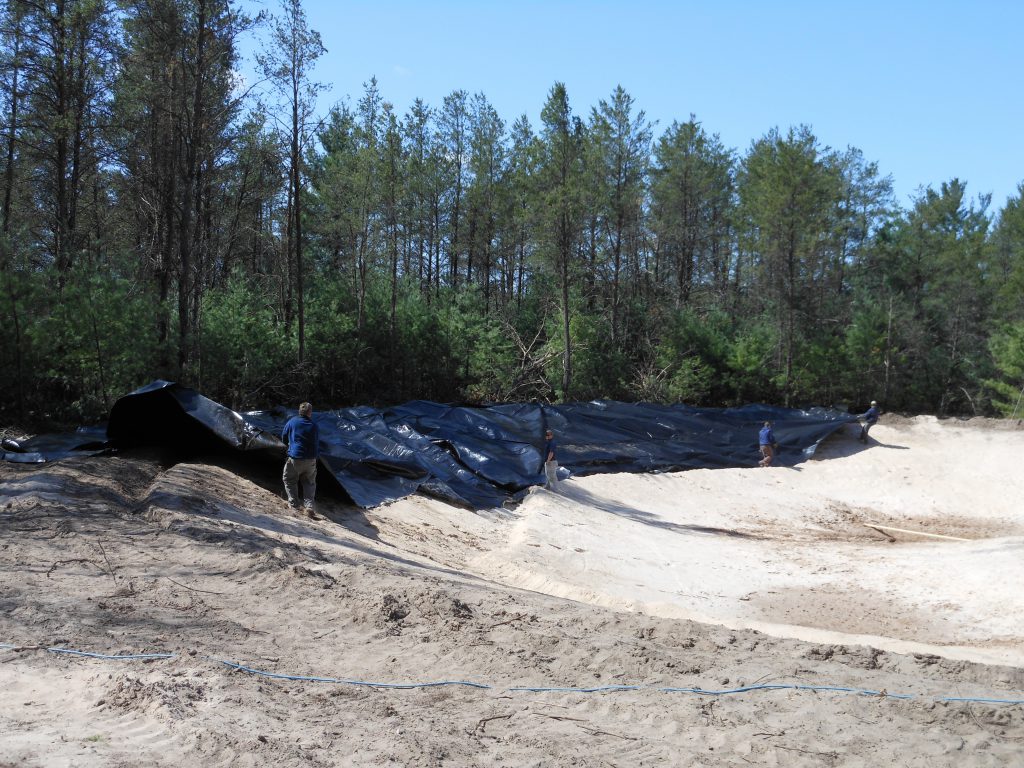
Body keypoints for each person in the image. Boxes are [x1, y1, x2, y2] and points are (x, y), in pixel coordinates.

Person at [282, 401, 320, 518]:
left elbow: (284, 437)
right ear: (310, 412)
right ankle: (309, 507)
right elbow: (316, 441)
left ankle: (294, 504)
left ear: (299, 411)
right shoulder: (314, 425)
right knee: (309, 483)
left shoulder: (292, 422)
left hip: (296, 457)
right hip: (311, 459)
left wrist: (290, 446)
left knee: (289, 479)